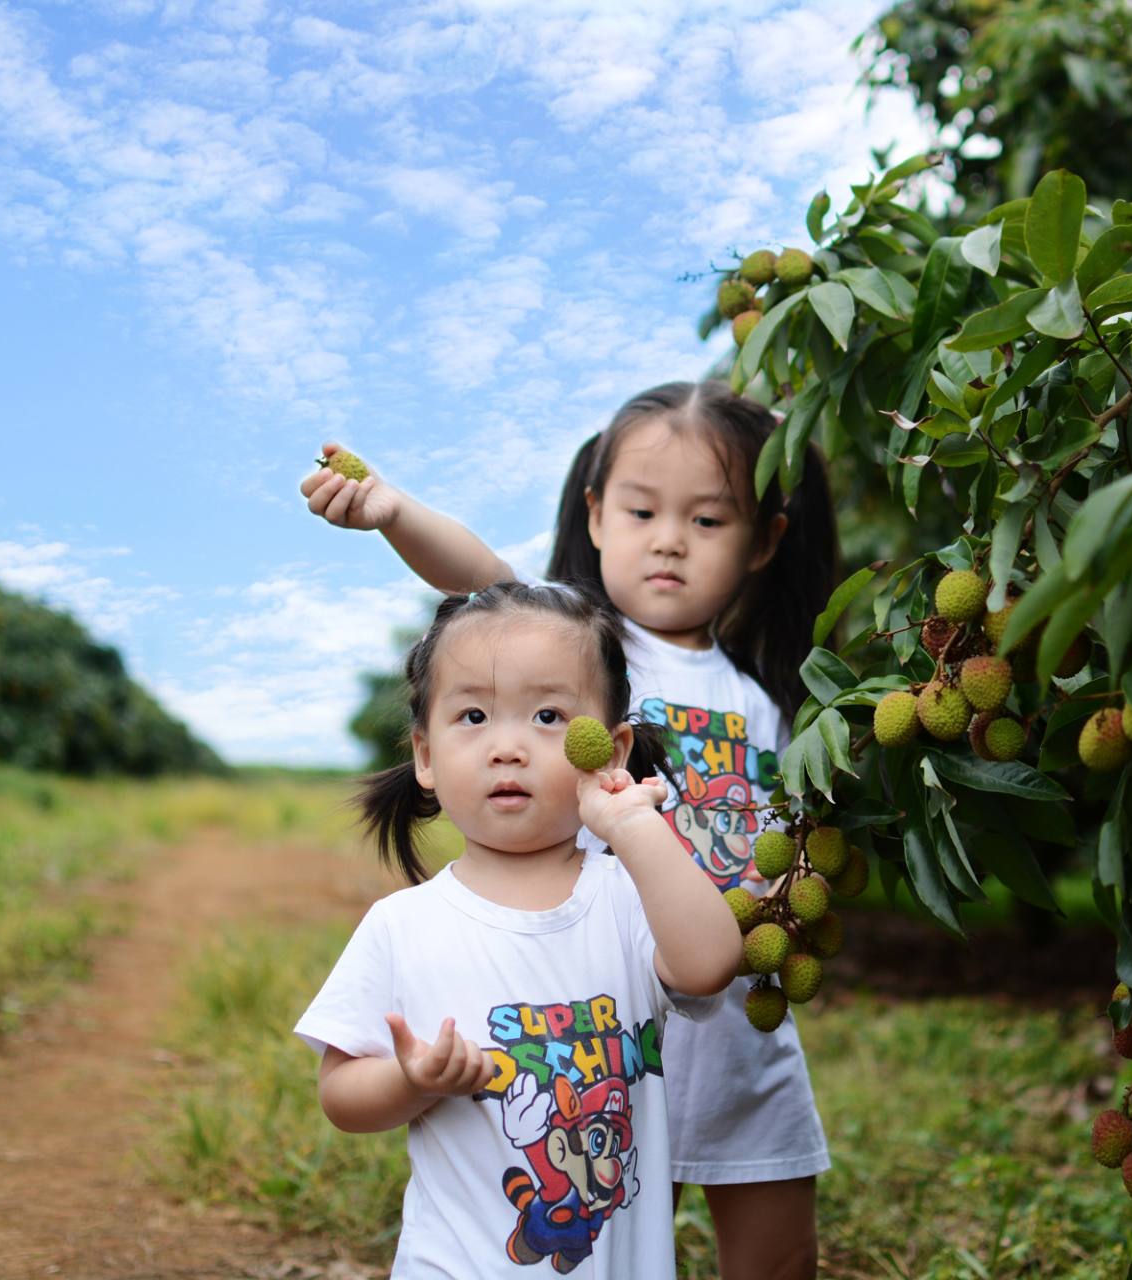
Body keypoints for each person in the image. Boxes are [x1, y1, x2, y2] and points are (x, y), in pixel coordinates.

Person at [302, 381, 839, 1279]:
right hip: (611, 1002)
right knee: (618, 1223)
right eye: (641, 510)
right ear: (595, 515)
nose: (668, 539)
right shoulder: (590, 651)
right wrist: (394, 514)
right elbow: (489, 589)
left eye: (708, 520)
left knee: (781, 1254)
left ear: (763, 541)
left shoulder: (778, 692)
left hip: (741, 1020)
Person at [296, 581, 742, 1276]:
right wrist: (413, 1081)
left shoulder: (630, 896)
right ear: (425, 756)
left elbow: (712, 963)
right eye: (473, 715)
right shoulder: (404, 925)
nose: (507, 747)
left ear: (610, 750)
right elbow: (340, 1094)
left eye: (548, 716)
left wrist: (633, 827)